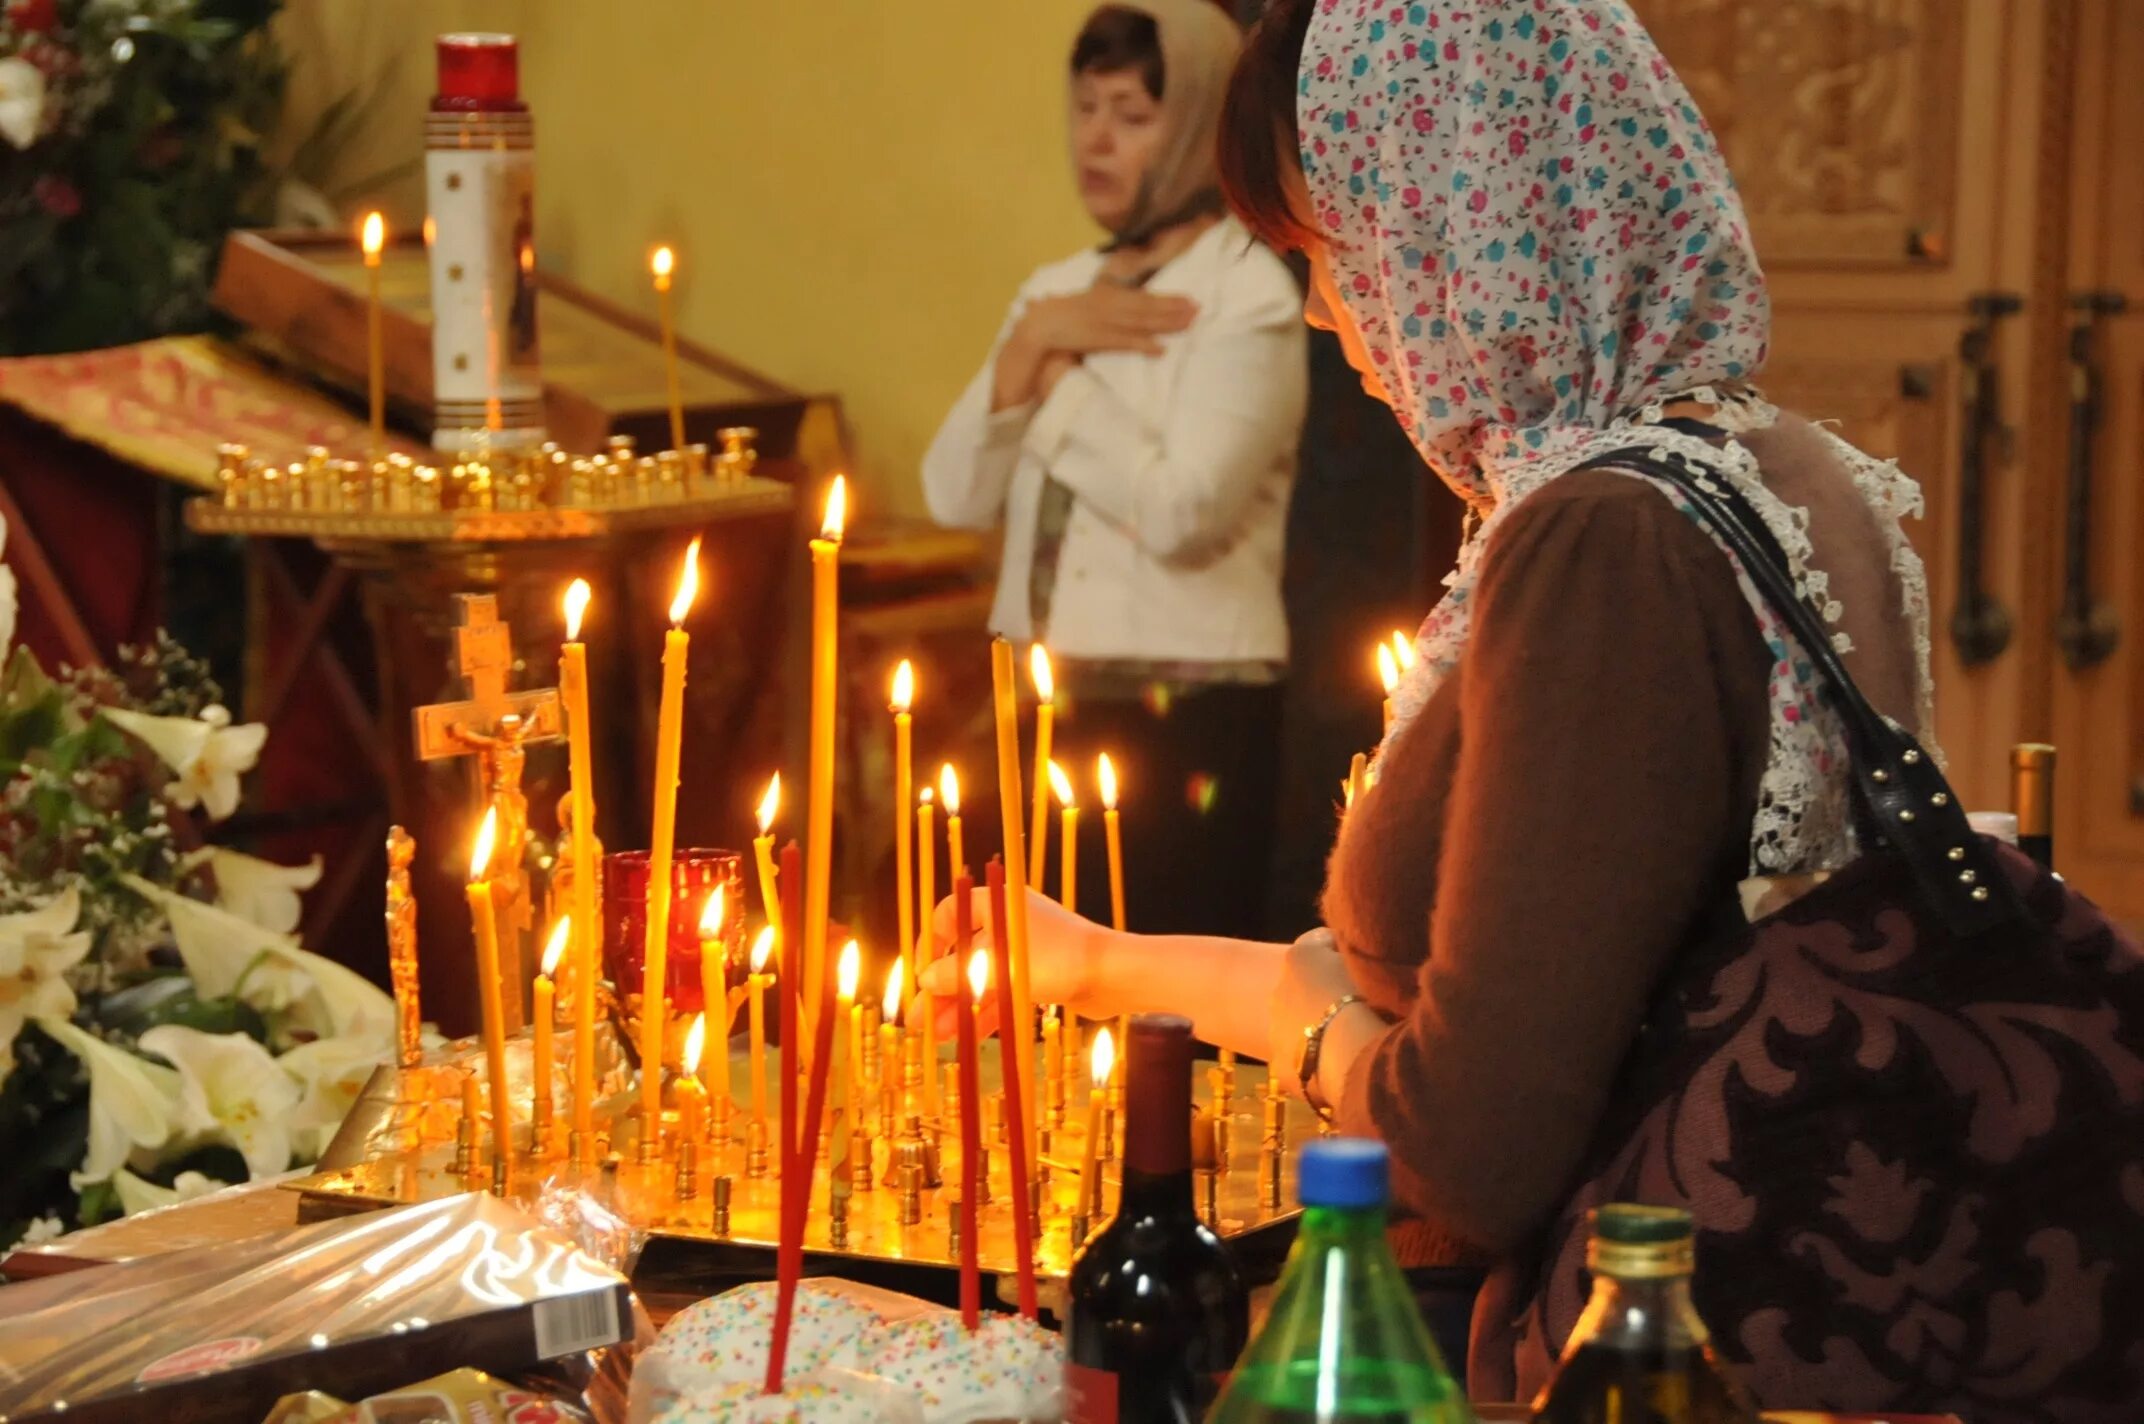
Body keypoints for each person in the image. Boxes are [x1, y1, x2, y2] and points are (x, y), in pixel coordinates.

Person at [929, 0, 2139, 1412]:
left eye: (1334, 245)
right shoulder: (1781, 471)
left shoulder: (1599, 545)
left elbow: (1475, 1137)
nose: (1331, 311)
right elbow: (1545, 975)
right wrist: (1094, 965)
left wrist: (1326, 1033)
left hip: (1631, 1357)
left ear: (1462, 218)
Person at [922, 0, 1307, 942]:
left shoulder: (1244, 292)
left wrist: (1056, 380)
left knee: (1162, 1025)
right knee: (1032, 1013)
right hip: (1041, 700)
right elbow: (952, 493)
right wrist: (1034, 344)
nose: (1097, 141)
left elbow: (1184, 512)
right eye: (1086, 109)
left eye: (1133, 117)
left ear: (1195, 127)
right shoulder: (1055, 291)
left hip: (1184, 714)